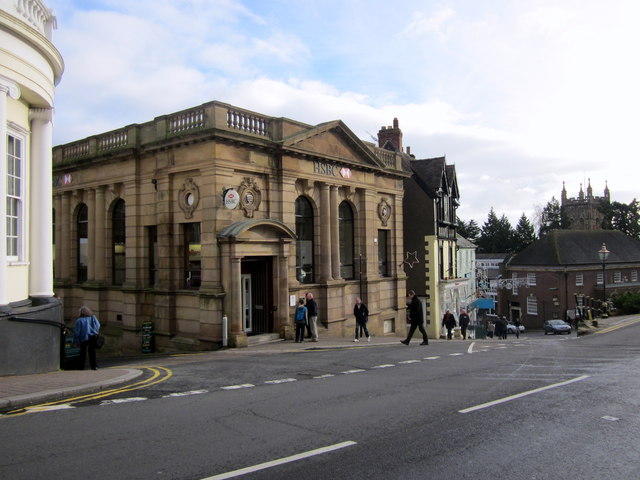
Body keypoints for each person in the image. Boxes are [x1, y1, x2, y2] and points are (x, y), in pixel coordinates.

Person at [73, 306, 101, 370]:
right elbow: (98, 325)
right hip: (93, 337)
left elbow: (77, 332)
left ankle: (81, 367)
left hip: (84, 338)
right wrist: (95, 331)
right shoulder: (93, 318)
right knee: (92, 352)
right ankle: (94, 366)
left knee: (83, 353)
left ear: (81, 313)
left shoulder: (79, 320)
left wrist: (76, 341)